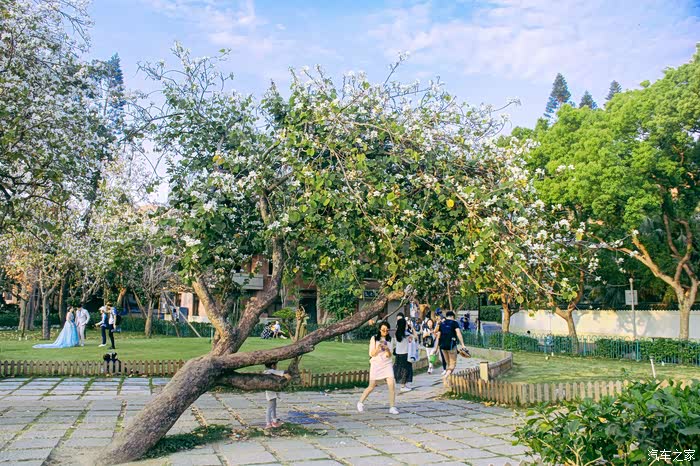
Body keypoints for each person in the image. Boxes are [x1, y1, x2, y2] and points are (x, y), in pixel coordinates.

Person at [357, 321, 399, 415]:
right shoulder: (374, 338)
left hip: (386, 364)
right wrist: (378, 348)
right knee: (371, 386)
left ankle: (392, 407)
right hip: (376, 364)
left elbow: (389, 355)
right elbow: (371, 354)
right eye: (383, 330)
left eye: (387, 330)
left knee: (391, 385)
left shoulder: (390, 339)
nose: (385, 332)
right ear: (380, 330)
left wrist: (387, 349)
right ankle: (360, 402)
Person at [435, 310, 466, 388]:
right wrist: (463, 344)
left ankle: (449, 382)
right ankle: (445, 377)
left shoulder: (442, 323)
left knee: (448, 364)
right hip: (451, 346)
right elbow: (458, 333)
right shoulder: (454, 323)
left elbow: (437, 334)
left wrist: (436, 347)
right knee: (452, 365)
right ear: (452, 316)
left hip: (442, 347)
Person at [393, 313, 417, 392]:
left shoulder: (396, 334)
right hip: (405, 354)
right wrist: (412, 327)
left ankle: (403, 384)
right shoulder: (407, 334)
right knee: (406, 370)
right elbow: (416, 337)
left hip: (398, 354)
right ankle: (403, 386)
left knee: (400, 369)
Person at [263, 362, 292, 429]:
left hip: (272, 392)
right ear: (272, 365)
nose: (276, 366)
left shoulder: (267, 371)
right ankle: (268, 423)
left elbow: (277, 372)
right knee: (270, 408)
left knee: (273, 407)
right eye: (276, 365)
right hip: (271, 393)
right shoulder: (270, 371)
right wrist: (285, 374)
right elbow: (279, 372)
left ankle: (274, 421)